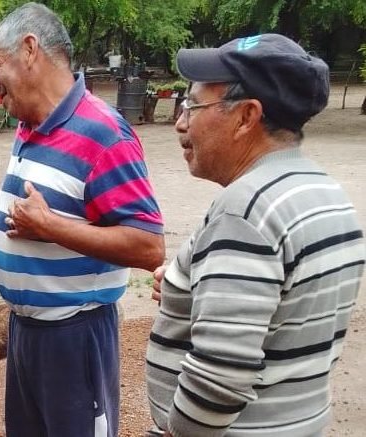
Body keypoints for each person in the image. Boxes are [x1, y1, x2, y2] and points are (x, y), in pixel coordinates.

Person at [145, 34, 366, 437]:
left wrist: (179, 432)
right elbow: (289, 316)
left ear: (246, 117)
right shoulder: (323, 191)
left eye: (193, 105)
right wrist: (193, 290)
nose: (180, 121)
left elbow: (219, 380)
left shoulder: (245, 211)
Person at [0, 3, 165, 436]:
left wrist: (50, 227)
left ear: (30, 50)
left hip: (74, 336)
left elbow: (149, 246)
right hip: (26, 331)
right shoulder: (30, 124)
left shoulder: (104, 134)